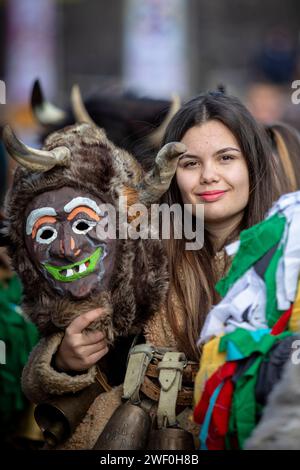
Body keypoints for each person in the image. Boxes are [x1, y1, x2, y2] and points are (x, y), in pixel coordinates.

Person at [18, 91, 285, 449]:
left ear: (252, 163)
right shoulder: (133, 251)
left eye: (226, 158)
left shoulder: (289, 254)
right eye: (190, 163)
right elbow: (43, 375)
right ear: (170, 171)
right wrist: (66, 360)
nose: (209, 176)